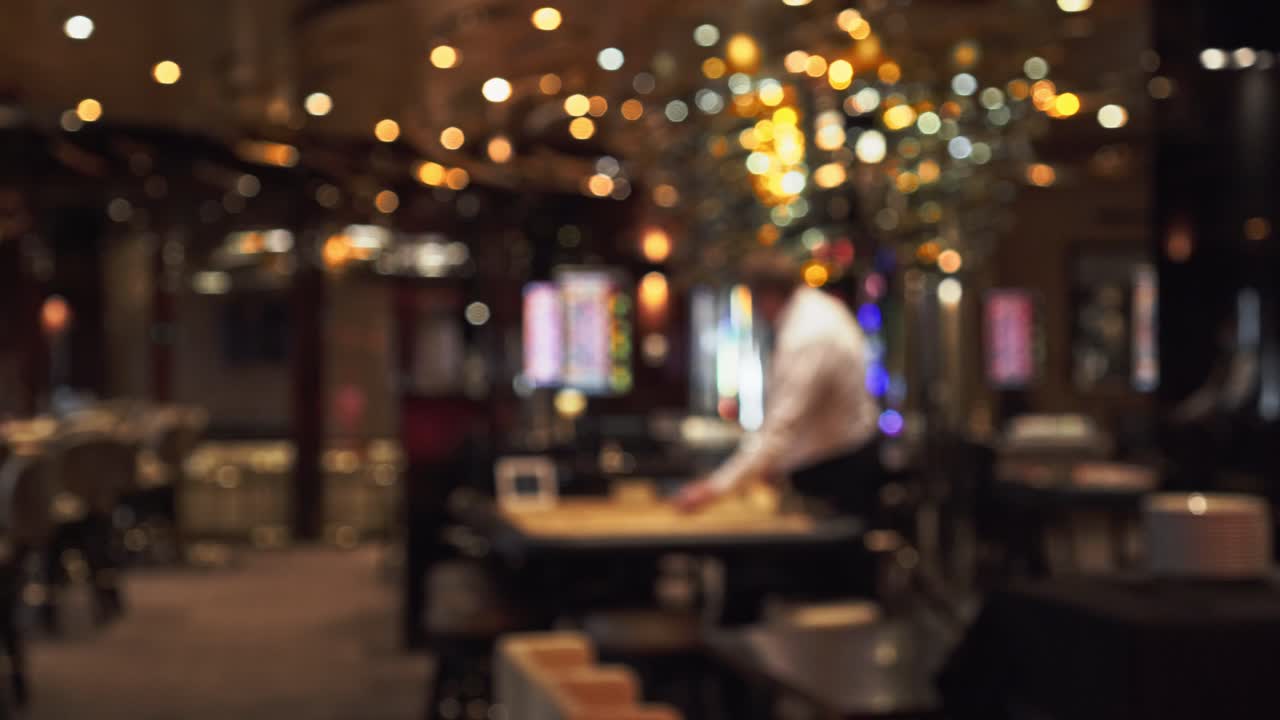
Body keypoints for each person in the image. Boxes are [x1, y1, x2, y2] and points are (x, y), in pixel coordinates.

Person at [674, 251, 881, 516]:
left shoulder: (808, 334)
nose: (758, 313)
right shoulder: (818, 310)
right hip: (840, 462)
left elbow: (782, 428)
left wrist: (714, 488)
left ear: (767, 295)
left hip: (840, 472)